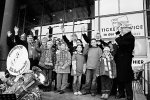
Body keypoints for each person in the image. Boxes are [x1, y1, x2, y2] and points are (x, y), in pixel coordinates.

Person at [115, 24, 135, 100]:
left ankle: (129, 95)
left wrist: (117, 38)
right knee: (119, 78)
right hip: (120, 61)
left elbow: (121, 42)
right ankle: (121, 94)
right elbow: (120, 39)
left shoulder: (130, 37)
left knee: (126, 78)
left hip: (125, 61)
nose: (122, 29)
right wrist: (118, 33)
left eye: (123, 28)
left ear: (128, 29)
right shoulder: (124, 36)